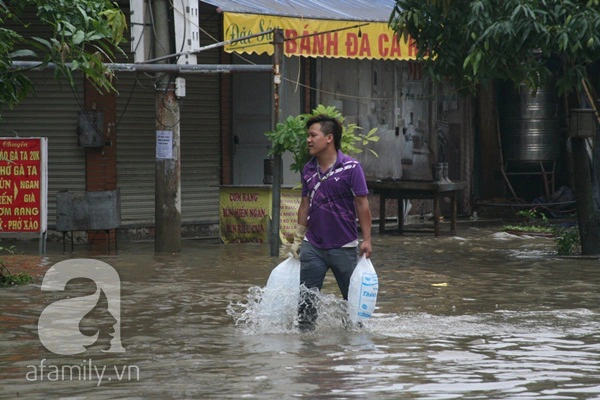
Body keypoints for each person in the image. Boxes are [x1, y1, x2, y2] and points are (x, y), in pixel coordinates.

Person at [290, 114, 372, 331]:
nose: (308, 140)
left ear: (329, 138)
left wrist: (367, 240)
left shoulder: (352, 168)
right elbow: (304, 205)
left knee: (351, 304)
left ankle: (353, 350)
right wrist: (297, 240)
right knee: (306, 305)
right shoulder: (308, 169)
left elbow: (362, 204)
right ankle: (306, 350)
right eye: (307, 135)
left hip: (344, 246)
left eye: (312, 135)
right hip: (313, 245)